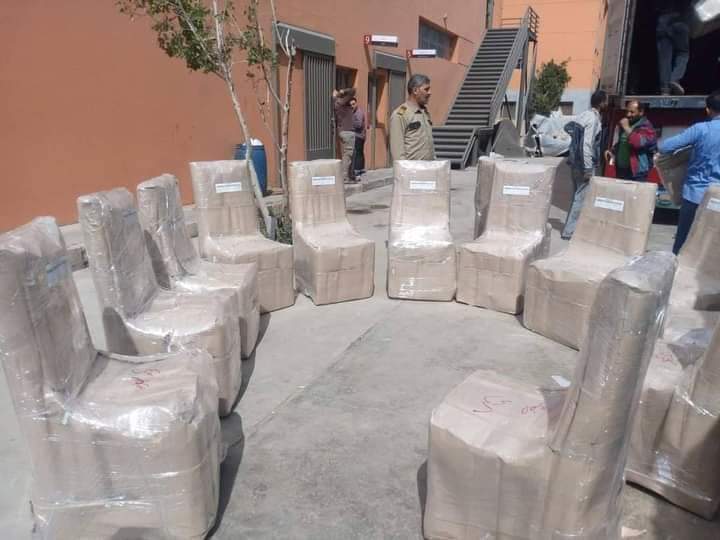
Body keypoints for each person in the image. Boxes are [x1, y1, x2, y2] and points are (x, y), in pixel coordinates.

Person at [657, 90, 720, 254]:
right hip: (717, 198)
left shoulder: (700, 129)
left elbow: (665, 147)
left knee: (683, 241)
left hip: (695, 195)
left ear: (708, 110)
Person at [561, 89, 608, 240]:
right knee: (580, 198)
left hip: (574, 162)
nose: (607, 104)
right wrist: (588, 167)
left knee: (577, 196)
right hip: (584, 164)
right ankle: (569, 231)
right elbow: (587, 145)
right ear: (602, 103)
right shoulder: (593, 119)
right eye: (606, 101)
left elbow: (567, 127)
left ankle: (572, 228)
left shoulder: (583, 115)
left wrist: (575, 142)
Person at [605, 101, 657, 181]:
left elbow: (638, 143)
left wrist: (626, 128)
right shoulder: (626, 124)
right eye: (627, 111)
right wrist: (612, 151)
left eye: (632, 112)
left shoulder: (646, 127)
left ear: (641, 112)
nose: (628, 115)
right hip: (621, 171)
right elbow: (622, 142)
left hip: (636, 174)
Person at [389, 74, 436, 161]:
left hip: (428, 167)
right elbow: (398, 154)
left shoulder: (424, 112)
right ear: (415, 90)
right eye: (426, 89)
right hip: (412, 169)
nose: (430, 93)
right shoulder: (400, 115)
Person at [656, 0, 690, 95]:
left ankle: (665, 89)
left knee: (664, 59)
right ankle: (675, 79)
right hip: (679, 19)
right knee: (683, 53)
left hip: (663, 20)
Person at [333, 87, 358, 183]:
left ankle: (348, 175)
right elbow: (353, 90)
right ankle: (345, 177)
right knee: (348, 156)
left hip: (342, 131)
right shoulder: (342, 101)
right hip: (348, 132)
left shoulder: (337, 103)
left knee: (346, 155)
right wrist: (342, 91)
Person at [349, 97, 367, 176]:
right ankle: (361, 168)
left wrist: (350, 123)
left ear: (356, 103)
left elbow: (359, 124)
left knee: (357, 153)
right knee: (360, 152)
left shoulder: (358, 112)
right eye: (351, 105)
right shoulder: (354, 112)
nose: (352, 106)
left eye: (353, 104)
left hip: (359, 135)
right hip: (360, 135)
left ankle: (357, 169)